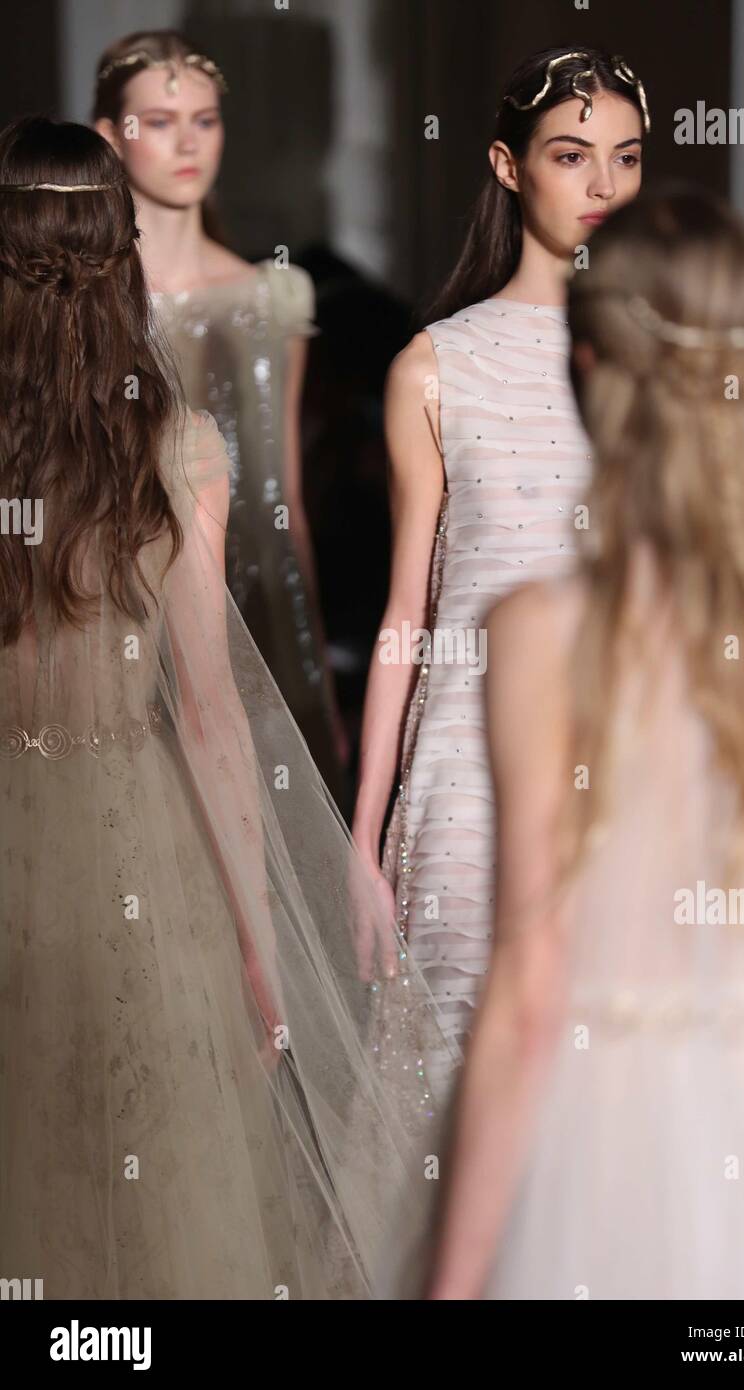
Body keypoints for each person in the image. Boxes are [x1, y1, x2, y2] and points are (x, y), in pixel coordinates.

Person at [0, 115, 454, 1300]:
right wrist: (257, 940)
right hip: (129, 840)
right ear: (118, 257)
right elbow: (208, 716)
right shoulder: (172, 448)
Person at [424, 187, 744, 1300]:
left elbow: (529, 987)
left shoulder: (538, 634)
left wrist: (450, 1285)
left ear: (584, 371)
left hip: (594, 1129)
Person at [352, 47, 648, 1096]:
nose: (602, 185)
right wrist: (362, 833)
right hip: (464, 780)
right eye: (571, 155)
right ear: (508, 165)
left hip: (622, 770)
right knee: (452, 1098)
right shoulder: (434, 366)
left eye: (624, 157)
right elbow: (405, 616)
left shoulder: (660, 363)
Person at [92, 29, 347, 803]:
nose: (188, 142)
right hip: (129, 603)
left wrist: (322, 685)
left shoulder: (275, 295)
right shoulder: (87, 303)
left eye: (204, 119)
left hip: (265, 606)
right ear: (111, 136)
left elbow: (284, 495)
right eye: (161, 121)